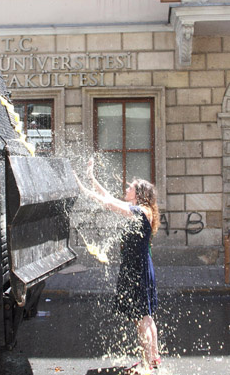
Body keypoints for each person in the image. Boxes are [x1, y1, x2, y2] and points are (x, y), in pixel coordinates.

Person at [74, 158, 160, 374]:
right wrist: (92, 178)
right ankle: (153, 359)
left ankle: (147, 365)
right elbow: (109, 198)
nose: (127, 188)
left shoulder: (142, 212)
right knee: (146, 316)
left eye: (130, 187)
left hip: (138, 269)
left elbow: (108, 204)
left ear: (138, 194)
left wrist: (82, 188)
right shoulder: (141, 208)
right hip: (140, 267)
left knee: (142, 318)